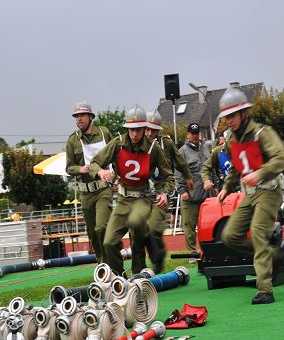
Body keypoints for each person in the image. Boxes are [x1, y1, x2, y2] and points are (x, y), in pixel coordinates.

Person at [216, 86, 284, 305]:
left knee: (257, 231)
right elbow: (236, 168)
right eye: (226, 116)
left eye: (232, 115)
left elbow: (280, 158)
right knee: (229, 236)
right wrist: (227, 187)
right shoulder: (232, 140)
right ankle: (270, 251)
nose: (228, 120)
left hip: (269, 191)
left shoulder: (262, 133)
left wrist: (260, 173)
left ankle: (265, 289)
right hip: (249, 194)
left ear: (244, 113)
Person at [89, 104, 174, 276]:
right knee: (109, 243)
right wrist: (100, 171)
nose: (134, 134)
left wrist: (164, 192)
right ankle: (120, 278)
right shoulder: (117, 144)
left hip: (143, 198)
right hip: (122, 199)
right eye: (131, 130)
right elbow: (94, 163)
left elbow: (169, 176)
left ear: (144, 128)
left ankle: (139, 274)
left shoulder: (153, 148)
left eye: (138, 130)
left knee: (136, 223)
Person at [144, 110, 193, 272]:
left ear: (158, 130)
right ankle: (154, 258)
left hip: (162, 191)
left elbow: (180, 162)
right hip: (143, 193)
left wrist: (187, 177)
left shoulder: (167, 144)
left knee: (154, 227)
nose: (149, 133)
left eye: (153, 129)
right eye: (147, 129)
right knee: (141, 229)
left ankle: (159, 258)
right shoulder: (138, 145)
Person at [65, 101, 113, 264]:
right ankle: (102, 263)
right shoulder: (72, 140)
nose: (79, 119)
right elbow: (68, 168)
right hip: (86, 193)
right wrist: (80, 169)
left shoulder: (104, 133)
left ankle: (108, 262)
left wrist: (117, 174)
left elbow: (116, 154)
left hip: (103, 189)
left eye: (82, 115)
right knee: (93, 233)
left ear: (91, 117)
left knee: (101, 227)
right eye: (76, 116)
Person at [177, 122, 211, 256]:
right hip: (190, 195)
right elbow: (178, 173)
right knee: (190, 227)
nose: (195, 136)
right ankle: (191, 253)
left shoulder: (205, 147)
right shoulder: (182, 151)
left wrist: (215, 186)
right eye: (192, 133)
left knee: (205, 227)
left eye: (197, 133)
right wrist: (182, 190)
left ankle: (206, 251)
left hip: (206, 194)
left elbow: (210, 167)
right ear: (188, 134)